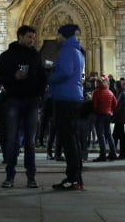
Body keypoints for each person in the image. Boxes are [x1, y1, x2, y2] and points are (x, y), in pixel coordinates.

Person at [0, 24, 46, 188]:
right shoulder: (7, 55)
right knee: (12, 139)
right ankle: (10, 176)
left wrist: (39, 95)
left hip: (31, 101)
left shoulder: (36, 56)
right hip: (13, 99)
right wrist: (13, 76)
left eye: (33, 37)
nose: (32, 40)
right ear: (20, 37)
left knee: (30, 140)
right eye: (29, 37)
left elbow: (42, 77)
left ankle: (31, 176)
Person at [49, 24, 85, 190]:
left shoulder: (66, 50)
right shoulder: (77, 51)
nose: (56, 38)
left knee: (68, 139)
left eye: (58, 35)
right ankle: (77, 178)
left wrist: (49, 77)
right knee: (72, 138)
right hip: (74, 96)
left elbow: (65, 73)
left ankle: (72, 178)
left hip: (65, 97)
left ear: (63, 36)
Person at [91, 76, 117, 162]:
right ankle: (113, 153)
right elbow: (115, 104)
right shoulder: (109, 92)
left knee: (100, 135)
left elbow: (94, 105)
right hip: (108, 114)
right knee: (108, 134)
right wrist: (109, 109)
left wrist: (95, 111)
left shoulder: (96, 92)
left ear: (97, 84)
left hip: (99, 115)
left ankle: (103, 154)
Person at [111, 79, 125, 159]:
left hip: (120, 117)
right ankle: (114, 152)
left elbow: (122, 107)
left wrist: (114, 112)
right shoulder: (121, 93)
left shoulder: (122, 94)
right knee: (116, 135)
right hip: (120, 117)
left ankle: (119, 153)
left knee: (119, 136)